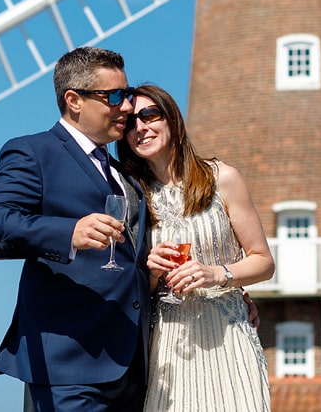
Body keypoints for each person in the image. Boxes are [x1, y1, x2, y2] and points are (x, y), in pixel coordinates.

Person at [0, 46, 150, 412]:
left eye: (127, 95)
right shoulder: (33, 152)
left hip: (133, 363)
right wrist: (68, 233)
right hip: (69, 361)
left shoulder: (121, 170)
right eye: (114, 96)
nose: (128, 107)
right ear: (74, 100)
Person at [117, 84, 274, 412]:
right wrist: (152, 272)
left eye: (149, 115)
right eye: (130, 123)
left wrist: (217, 274)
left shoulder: (222, 179)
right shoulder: (134, 197)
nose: (141, 127)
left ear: (171, 118)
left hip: (228, 338)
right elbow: (130, 282)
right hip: (170, 345)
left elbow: (263, 261)